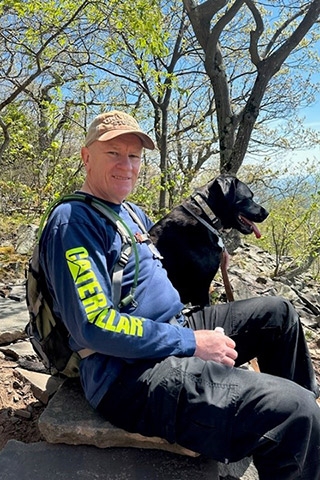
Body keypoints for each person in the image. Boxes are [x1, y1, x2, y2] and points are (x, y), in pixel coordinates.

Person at [40, 110, 320, 480]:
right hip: (127, 376)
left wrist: (186, 332)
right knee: (294, 411)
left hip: (169, 328)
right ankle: (294, 428)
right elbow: (93, 325)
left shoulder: (129, 213)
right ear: (86, 156)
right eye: (113, 154)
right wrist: (190, 342)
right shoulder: (74, 223)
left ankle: (297, 444)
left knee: (278, 315)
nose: (127, 165)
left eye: (134, 156)